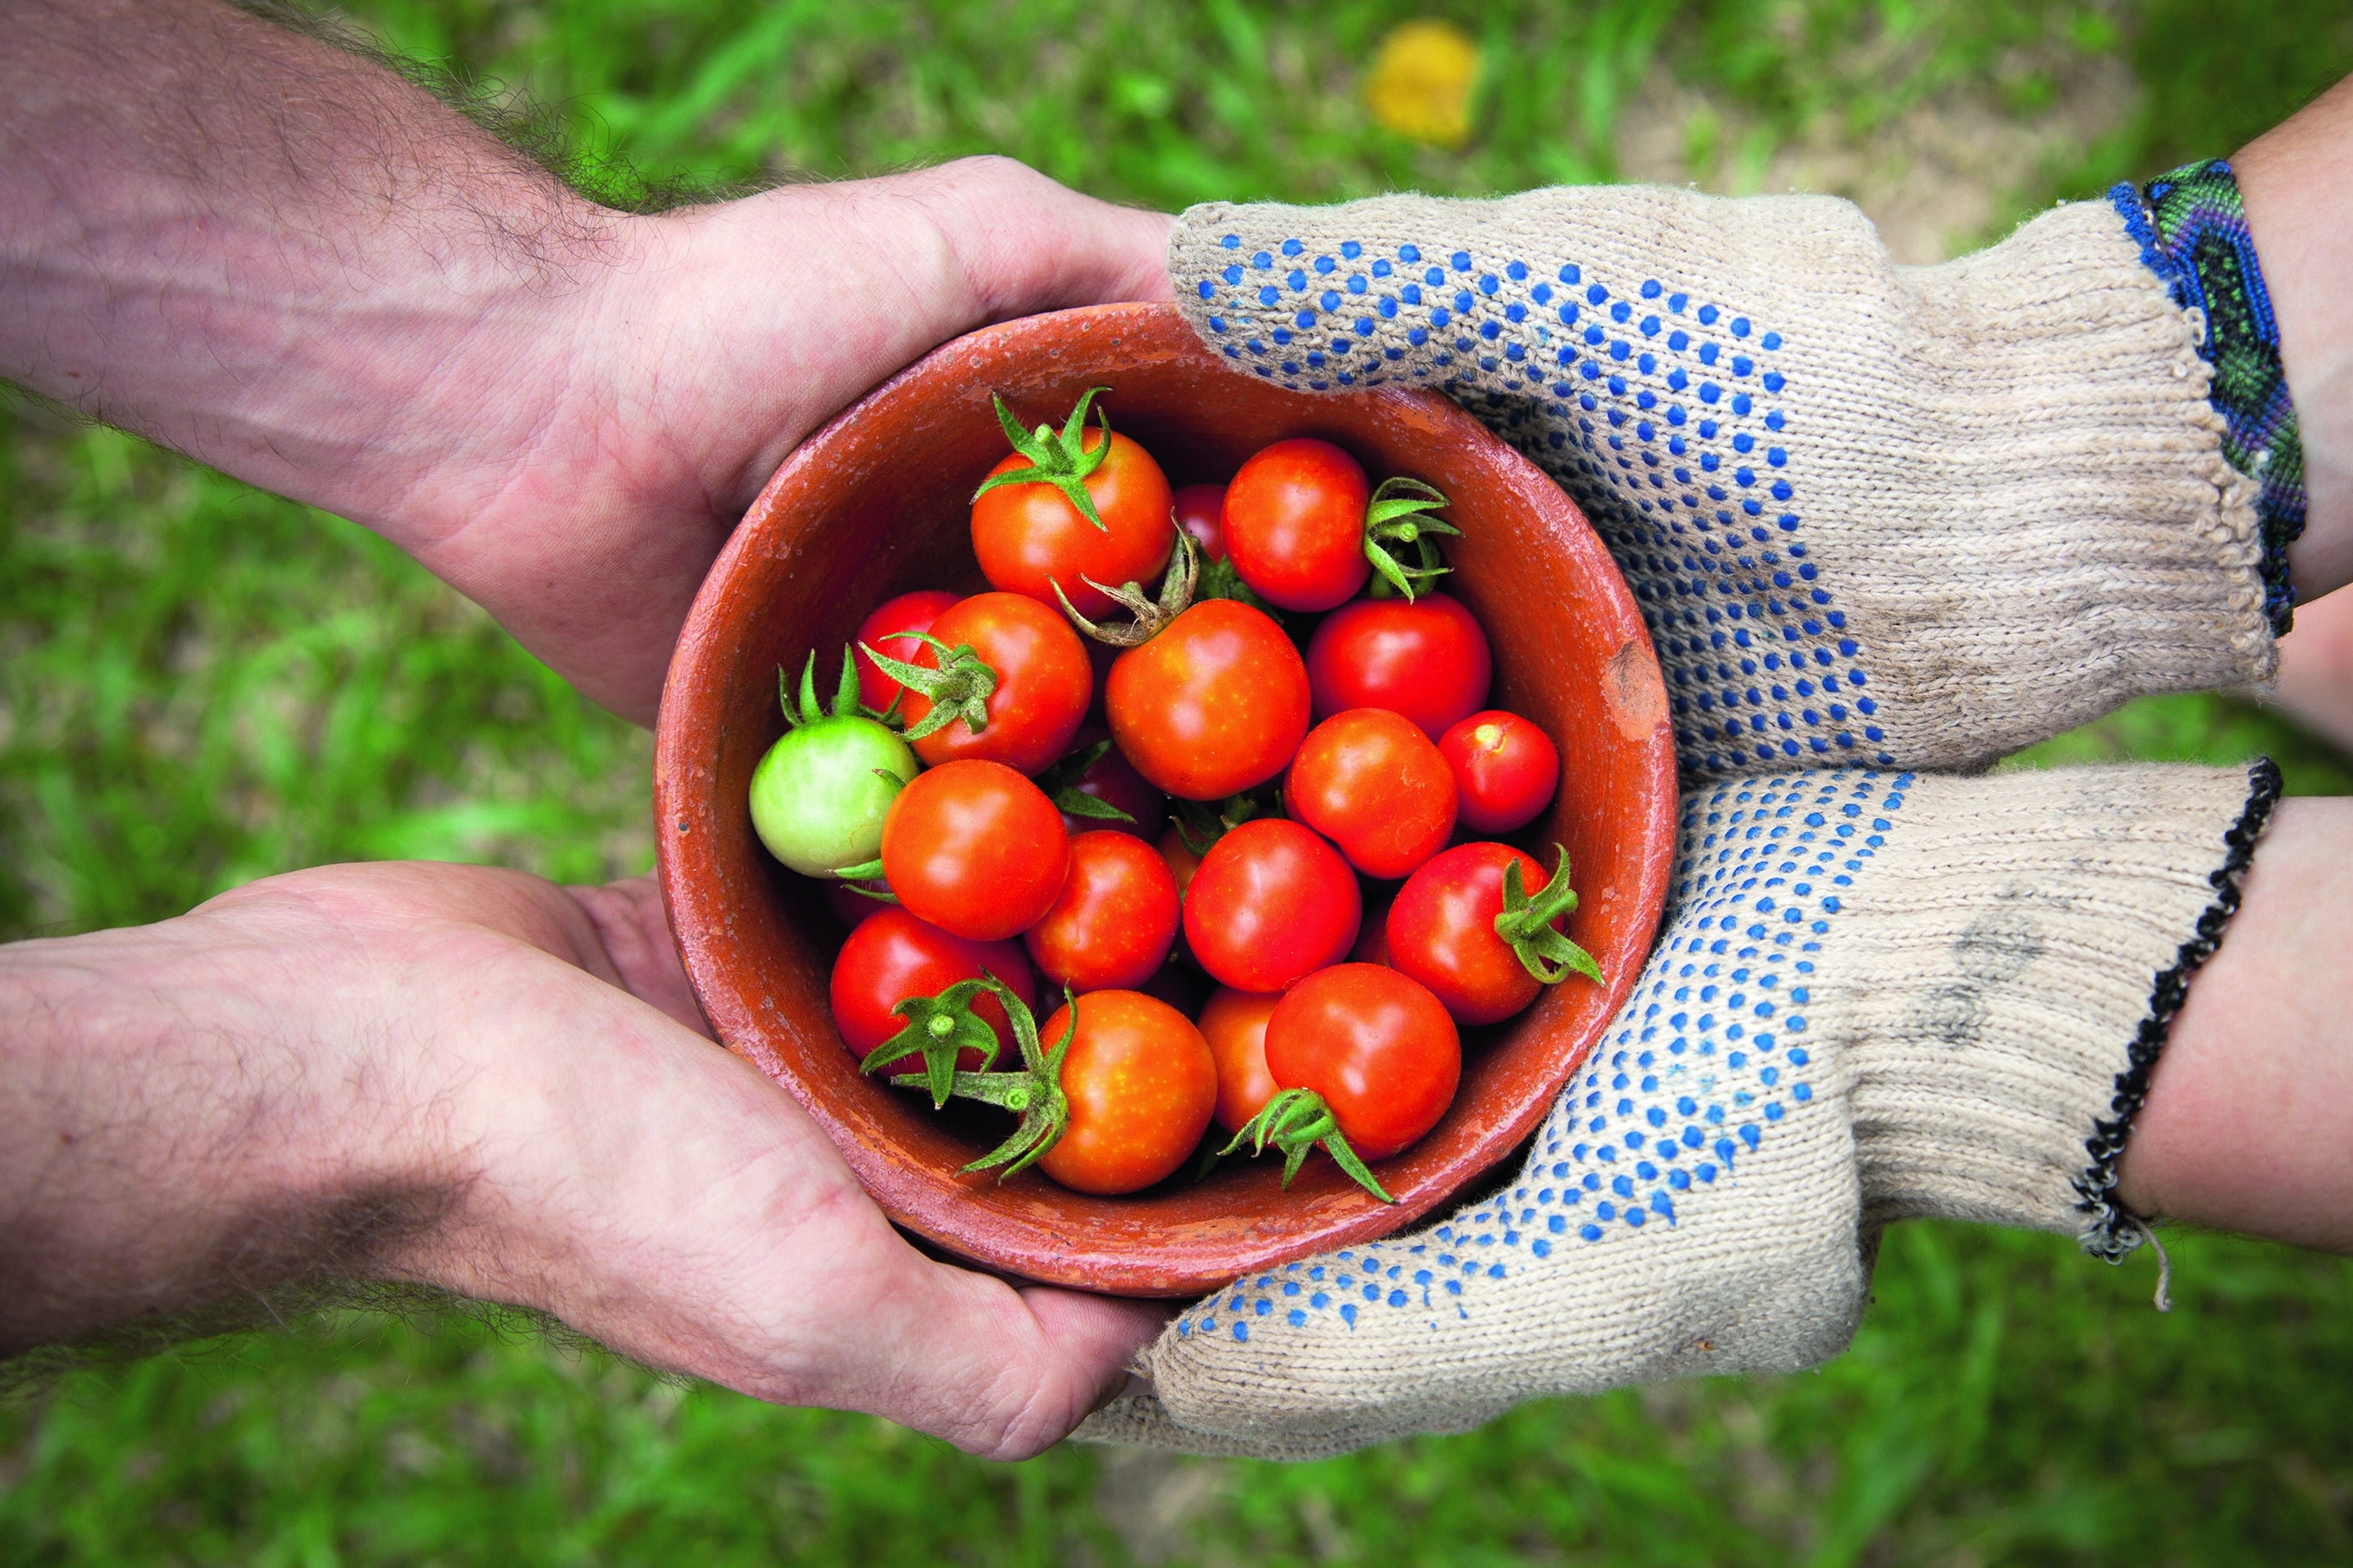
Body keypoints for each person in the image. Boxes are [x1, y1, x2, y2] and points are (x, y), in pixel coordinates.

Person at [2, 0, 2347, 1462]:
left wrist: (2071, 424)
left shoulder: (1132, 767)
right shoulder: (1120, 847)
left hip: (1325, 845)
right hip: (1314, 882)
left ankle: (2239, 551)